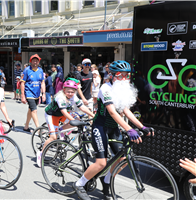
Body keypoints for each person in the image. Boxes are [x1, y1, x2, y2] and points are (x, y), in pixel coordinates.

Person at [73, 60, 154, 200]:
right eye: (120, 75)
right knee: (101, 163)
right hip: (100, 127)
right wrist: (129, 129)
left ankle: (106, 180)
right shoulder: (105, 88)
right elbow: (112, 112)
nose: (124, 78)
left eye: (126, 75)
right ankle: (79, 184)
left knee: (122, 158)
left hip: (113, 128)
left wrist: (142, 127)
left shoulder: (120, 90)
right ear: (112, 75)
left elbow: (126, 111)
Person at [36, 80, 94, 167]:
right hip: (52, 115)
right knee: (53, 137)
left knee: (77, 118)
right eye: (68, 91)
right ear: (64, 90)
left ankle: (60, 130)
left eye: (72, 92)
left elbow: (82, 107)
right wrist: (75, 122)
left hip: (62, 113)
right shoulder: (60, 97)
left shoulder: (74, 96)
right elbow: (64, 113)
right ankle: (41, 154)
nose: (70, 93)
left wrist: (94, 116)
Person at [21, 54, 46, 132]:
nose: (35, 62)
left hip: (37, 94)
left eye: (37, 60)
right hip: (29, 93)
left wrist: (43, 94)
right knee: (34, 110)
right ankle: (39, 130)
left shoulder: (40, 70)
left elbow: (42, 82)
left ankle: (26, 126)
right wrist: (22, 95)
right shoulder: (27, 70)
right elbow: (22, 83)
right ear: (31, 61)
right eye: (33, 60)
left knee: (31, 110)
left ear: (39, 61)